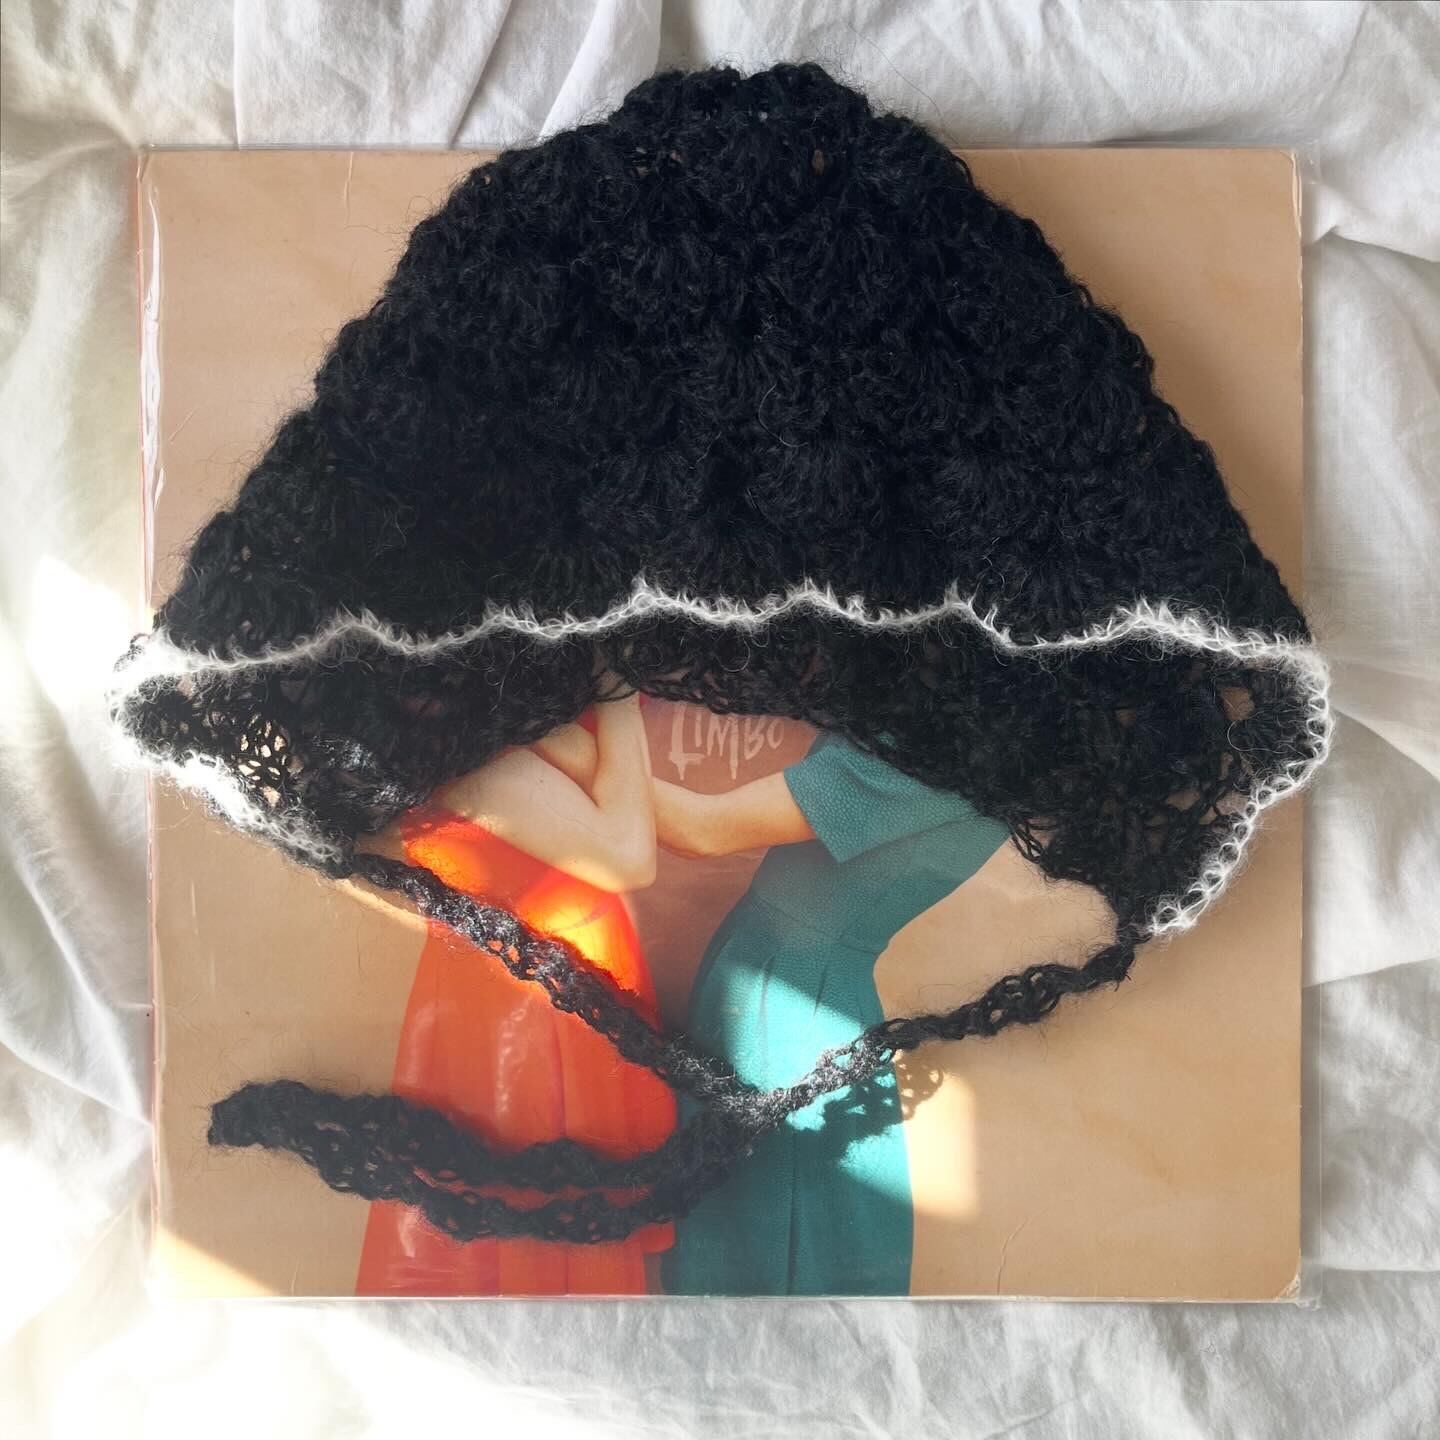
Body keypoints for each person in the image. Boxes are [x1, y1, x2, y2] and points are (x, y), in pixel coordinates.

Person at [653, 732, 1010, 1296]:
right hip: (796, 994)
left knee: (770, 1258)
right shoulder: (990, 754)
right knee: (770, 1247)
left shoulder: (945, 754)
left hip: (785, 1009)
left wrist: (557, 736)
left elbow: (701, 828)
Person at [354, 689, 676, 1296]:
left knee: (551, 1244)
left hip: (546, 988)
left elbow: (652, 807)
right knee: (530, 1253)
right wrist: (621, 698)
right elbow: (630, 857)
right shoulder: (466, 745)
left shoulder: (509, 712)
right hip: (528, 1011)